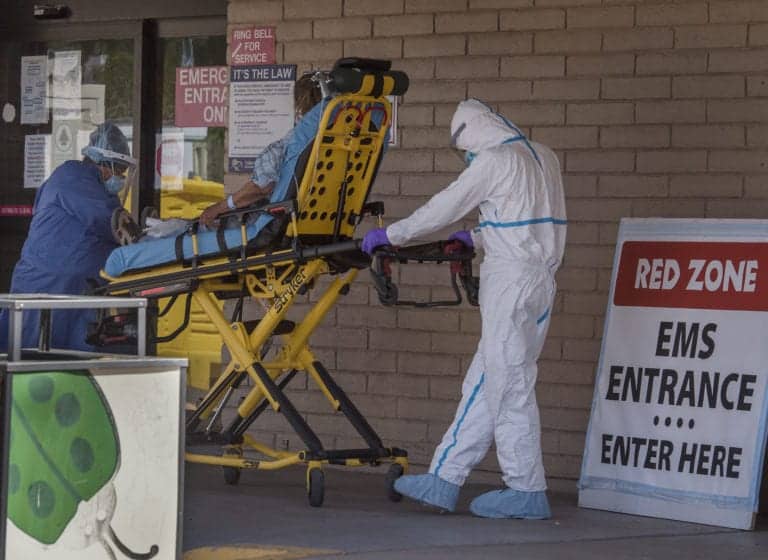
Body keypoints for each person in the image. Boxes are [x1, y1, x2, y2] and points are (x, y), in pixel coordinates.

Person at [361, 99, 567, 519]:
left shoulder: (494, 160)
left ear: (472, 135)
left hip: (510, 282)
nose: (467, 157)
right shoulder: (544, 156)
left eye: (465, 150)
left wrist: (393, 235)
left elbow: (446, 205)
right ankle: (445, 477)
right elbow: (528, 220)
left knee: (509, 385)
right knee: (488, 380)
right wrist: (477, 237)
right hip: (540, 281)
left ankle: (526, 489)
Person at [112, 74, 323, 244]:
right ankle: (158, 228)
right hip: (301, 224)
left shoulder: (293, 145)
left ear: (299, 107)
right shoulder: (325, 146)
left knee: (200, 226)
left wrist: (220, 207)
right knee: (196, 223)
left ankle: (143, 242)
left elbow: (261, 187)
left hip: (261, 224)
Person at [0, 122, 136, 352]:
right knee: (31, 354)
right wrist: (145, 238)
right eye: (119, 170)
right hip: (47, 285)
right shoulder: (75, 179)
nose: (121, 178)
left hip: (67, 288)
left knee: (60, 356)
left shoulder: (86, 184)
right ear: (104, 164)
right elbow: (112, 222)